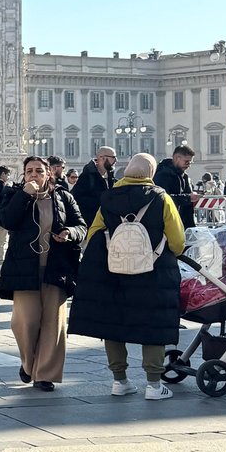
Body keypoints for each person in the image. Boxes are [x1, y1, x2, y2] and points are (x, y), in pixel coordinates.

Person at [69, 153, 185, 401]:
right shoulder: (161, 198)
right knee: (153, 323)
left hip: (115, 271)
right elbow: (177, 240)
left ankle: (119, 381)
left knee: (114, 323)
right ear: (150, 173)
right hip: (153, 273)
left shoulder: (109, 197)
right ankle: (154, 385)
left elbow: (95, 232)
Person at [0, 155, 86, 392]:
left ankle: (44, 374)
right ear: (24, 175)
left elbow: (81, 226)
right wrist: (24, 194)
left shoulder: (64, 197)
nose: (33, 175)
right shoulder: (14, 194)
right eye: (29, 171)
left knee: (53, 324)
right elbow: (6, 220)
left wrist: (69, 232)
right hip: (24, 268)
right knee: (25, 322)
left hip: (56, 267)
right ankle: (28, 364)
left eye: (38, 171)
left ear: (49, 174)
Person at [153, 144, 199, 230]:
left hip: (182, 222)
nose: (189, 165)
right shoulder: (162, 175)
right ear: (177, 158)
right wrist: (188, 198)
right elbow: (162, 198)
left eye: (190, 162)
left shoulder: (185, 176)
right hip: (168, 222)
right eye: (187, 161)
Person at [71, 146, 116, 228]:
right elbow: (77, 199)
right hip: (91, 225)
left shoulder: (111, 176)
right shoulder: (87, 176)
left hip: (105, 224)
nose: (116, 161)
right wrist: (102, 201)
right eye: (113, 157)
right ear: (102, 158)